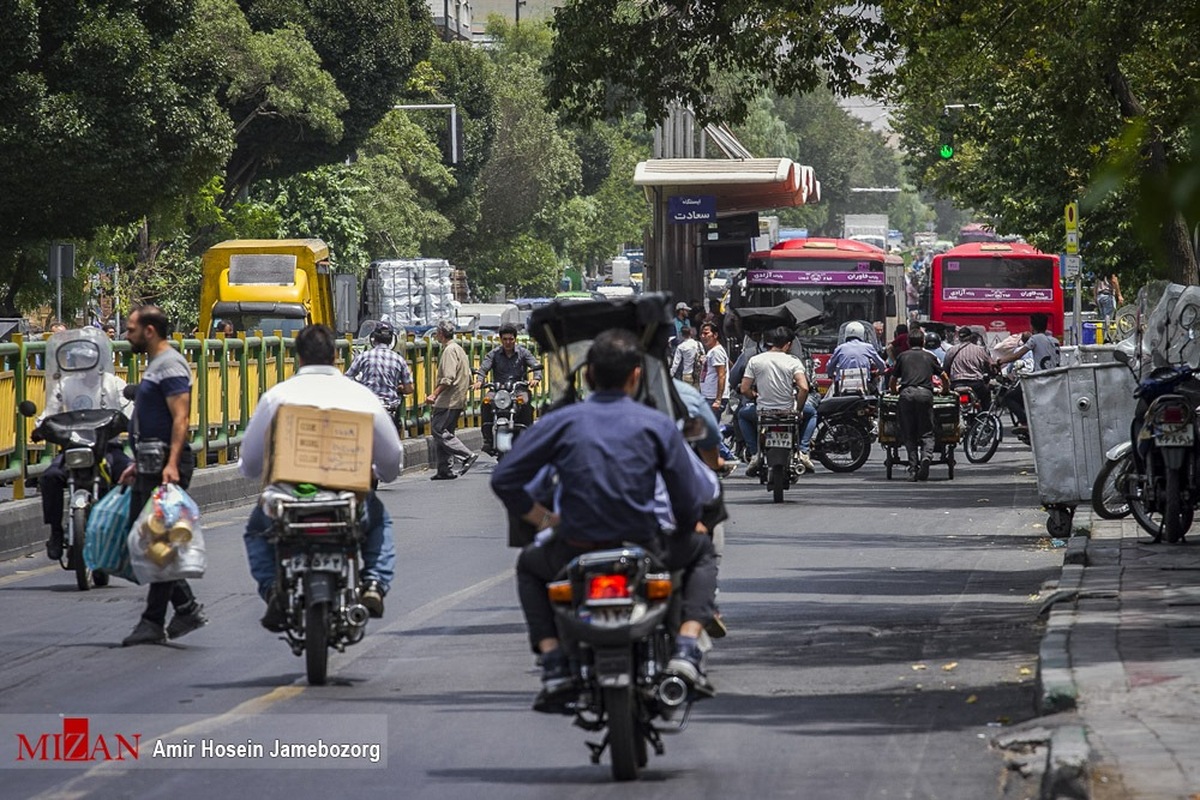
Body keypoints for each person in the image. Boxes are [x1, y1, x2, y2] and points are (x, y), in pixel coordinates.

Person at [491, 329, 719, 712]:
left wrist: (545, 519)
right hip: (645, 544)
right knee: (702, 552)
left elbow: (504, 478)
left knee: (529, 567)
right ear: (635, 376)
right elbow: (686, 496)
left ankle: (553, 662)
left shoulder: (562, 421)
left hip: (574, 545)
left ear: (588, 376)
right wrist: (685, 528)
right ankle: (685, 649)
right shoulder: (656, 424)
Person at [239, 324, 402, 624]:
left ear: (298, 357)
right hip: (346, 500)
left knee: (255, 530)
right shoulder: (360, 397)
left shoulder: (277, 398)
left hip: (288, 501)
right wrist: (377, 471)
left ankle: (273, 589)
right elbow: (392, 460)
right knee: (379, 520)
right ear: (336, 356)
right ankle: (374, 584)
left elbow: (249, 463)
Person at [117, 306, 207, 646]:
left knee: (157, 539)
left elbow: (180, 418)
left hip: (167, 465)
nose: (127, 337)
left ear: (149, 331)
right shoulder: (156, 365)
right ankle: (183, 607)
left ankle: (155, 619)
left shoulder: (169, 365)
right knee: (149, 538)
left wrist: (171, 464)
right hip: (151, 463)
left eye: (131, 330)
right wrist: (138, 462)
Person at [37, 371, 132, 561]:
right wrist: (40, 427)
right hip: (73, 448)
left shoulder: (114, 383)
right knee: (50, 477)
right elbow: (49, 412)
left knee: (132, 475)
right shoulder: (66, 385)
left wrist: (131, 422)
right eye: (80, 359)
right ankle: (55, 532)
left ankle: (130, 529)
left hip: (107, 447)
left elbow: (130, 411)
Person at [738, 326, 813, 476]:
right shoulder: (793, 361)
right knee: (812, 413)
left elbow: (744, 389)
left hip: (763, 413)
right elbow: (804, 388)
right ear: (788, 344)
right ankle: (803, 451)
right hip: (788, 412)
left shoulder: (755, 360)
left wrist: (755, 395)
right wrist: (798, 410)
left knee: (742, 415)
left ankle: (754, 454)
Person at [472, 324, 542, 456]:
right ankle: (488, 439)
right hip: (499, 390)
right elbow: (483, 369)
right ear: (500, 339)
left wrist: (536, 378)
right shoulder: (494, 354)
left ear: (515, 339)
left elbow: (536, 366)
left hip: (518, 389)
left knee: (525, 402)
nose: (508, 342)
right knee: (486, 402)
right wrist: (479, 381)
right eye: (505, 339)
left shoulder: (523, 353)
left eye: (511, 339)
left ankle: (528, 436)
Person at [889, 329, 949, 482]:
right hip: (925, 395)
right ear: (923, 342)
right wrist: (945, 390)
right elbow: (944, 377)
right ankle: (926, 457)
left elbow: (893, 381)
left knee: (909, 433)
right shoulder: (929, 356)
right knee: (927, 432)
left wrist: (895, 391)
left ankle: (913, 469)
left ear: (909, 343)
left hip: (906, 395)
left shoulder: (902, 356)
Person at [424, 319, 477, 480]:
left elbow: (448, 377)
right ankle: (444, 469)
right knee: (446, 433)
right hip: (458, 399)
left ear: (440, 334)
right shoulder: (459, 349)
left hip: (448, 400)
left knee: (439, 431)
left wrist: (434, 394)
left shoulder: (449, 351)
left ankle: (466, 455)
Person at [345, 322, 414, 429]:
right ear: (392, 340)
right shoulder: (399, 360)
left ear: (374, 338)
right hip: (389, 411)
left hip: (368, 408)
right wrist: (398, 388)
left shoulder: (364, 356)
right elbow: (409, 389)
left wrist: (361, 387)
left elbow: (347, 378)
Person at [825, 321, 886, 394]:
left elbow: (829, 367)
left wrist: (831, 374)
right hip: (864, 386)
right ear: (862, 333)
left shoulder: (840, 348)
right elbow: (882, 365)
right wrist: (879, 372)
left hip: (841, 388)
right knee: (877, 399)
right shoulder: (868, 347)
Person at [943, 327, 994, 411]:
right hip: (976, 384)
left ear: (959, 337)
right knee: (986, 397)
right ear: (970, 337)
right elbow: (989, 365)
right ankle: (984, 417)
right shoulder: (980, 350)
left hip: (956, 384)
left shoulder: (951, 350)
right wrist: (991, 374)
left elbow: (945, 368)